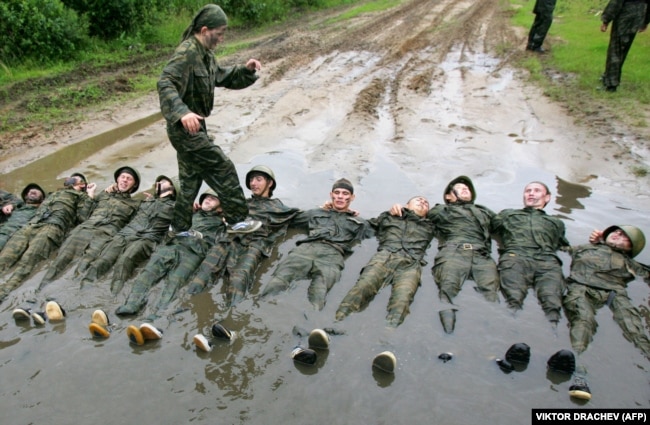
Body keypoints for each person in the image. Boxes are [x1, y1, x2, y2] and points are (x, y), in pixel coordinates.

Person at [157, 4, 262, 235]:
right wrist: (182, 112)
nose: (222, 38)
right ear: (205, 30)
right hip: (184, 128)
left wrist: (246, 70)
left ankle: (179, 228)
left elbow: (222, 76)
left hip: (195, 127)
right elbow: (165, 82)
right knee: (222, 166)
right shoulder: (187, 53)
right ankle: (237, 220)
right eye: (220, 33)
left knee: (190, 180)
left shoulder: (205, 55)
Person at [390, 176, 499, 333]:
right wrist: (398, 209)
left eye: (467, 189)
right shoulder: (440, 210)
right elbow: (417, 215)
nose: (465, 189)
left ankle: (490, 336)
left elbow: (505, 225)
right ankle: (448, 337)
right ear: (448, 196)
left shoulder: (483, 211)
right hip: (453, 252)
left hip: (482, 255)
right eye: (460, 188)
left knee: (491, 295)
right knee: (447, 293)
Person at [187, 165, 301, 305]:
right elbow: (215, 211)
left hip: (252, 247)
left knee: (238, 281)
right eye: (251, 180)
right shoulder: (241, 204)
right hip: (227, 242)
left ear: (270, 183)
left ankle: (230, 320)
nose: (253, 183)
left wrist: (327, 208)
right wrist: (197, 209)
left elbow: (305, 217)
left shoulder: (279, 208)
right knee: (203, 274)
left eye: (258, 179)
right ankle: (182, 309)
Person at [562, 225, 649, 400]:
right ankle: (580, 372)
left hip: (615, 293)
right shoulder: (583, 248)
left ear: (632, 247)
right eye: (616, 231)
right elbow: (553, 249)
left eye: (625, 236)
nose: (618, 234)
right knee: (582, 321)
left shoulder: (631, 263)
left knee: (634, 328)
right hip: (581, 287)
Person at [261, 178, 373, 310]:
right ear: (331, 195)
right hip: (305, 250)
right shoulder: (315, 213)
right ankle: (260, 311)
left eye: (345, 194)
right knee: (277, 282)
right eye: (337, 193)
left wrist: (398, 211)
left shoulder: (360, 223)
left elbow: (382, 230)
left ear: (352, 197)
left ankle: (311, 323)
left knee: (319, 294)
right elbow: (286, 217)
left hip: (332, 256)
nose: (340, 197)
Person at [115, 189, 226, 318]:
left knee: (174, 282)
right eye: (206, 197)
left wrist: (227, 218)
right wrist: (155, 198)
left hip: (193, 254)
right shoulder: (189, 212)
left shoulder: (221, 224)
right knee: (147, 274)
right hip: (171, 246)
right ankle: (132, 304)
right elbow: (168, 208)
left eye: (213, 199)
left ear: (219, 208)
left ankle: (157, 314)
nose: (208, 199)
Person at [335, 196, 434, 327]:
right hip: (385, 256)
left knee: (402, 299)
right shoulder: (389, 217)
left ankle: (389, 333)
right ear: (406, 205)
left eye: (426, 203)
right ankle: (338, 320)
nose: (422, 202)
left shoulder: (431, 225)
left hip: (411, 263)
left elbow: (456, 224)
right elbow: (364, 225)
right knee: (363, 286)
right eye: (418, 200)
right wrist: (343, 211)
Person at [38, 166, 141, 289]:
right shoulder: (103, 195)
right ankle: (38, 293)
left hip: (105, 236)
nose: (124, 180)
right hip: (83, 230)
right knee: (60, 262)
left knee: (83, 268)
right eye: (122, 177)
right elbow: (83, 216)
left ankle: (66, 297)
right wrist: (90, 195)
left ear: (134, 185)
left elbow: (133, 226)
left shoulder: (136, 205)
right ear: (117, 179)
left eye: (129, 179)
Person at [0, 174, 93, 301]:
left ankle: (3, 292)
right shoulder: (53, 194)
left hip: (52, 227)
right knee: (4, 258)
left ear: (82, 184)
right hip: (31, 225)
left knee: (27, 263)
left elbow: (84, 217)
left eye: (73, 178)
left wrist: (90, 194)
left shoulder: (82, 197)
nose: (68, 178)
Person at [79, 175, 178, 294]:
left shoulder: (176, 208)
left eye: (162, 182)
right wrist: (112, 191)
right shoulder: (146, 201)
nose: (158, 184)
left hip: (146, 238)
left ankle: (111, 298)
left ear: (172, 188)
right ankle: (81, 291)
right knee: (103, 260)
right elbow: (124, 209)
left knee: (124, 262)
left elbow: (182, 227)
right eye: (158, 182)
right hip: (126, 233)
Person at [490, 181, 570, 326]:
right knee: (513, 299)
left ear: (547, 198)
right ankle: (509, 328)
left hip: (547, 261)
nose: (531, 193)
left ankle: (553, 334)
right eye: (528, 191)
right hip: (516, 256)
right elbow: (485, 226)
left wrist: (599, 241)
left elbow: (564, 246)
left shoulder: (556, 222)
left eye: (537, 190)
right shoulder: (508, 214)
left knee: (552, 303)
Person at [599, 0, 650, 92]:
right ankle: (609, 75)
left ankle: (611, 84)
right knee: (624, 50)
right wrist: (645, 21)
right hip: (637, 18)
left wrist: (606, 20)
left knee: (615, 50)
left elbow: (616, 3)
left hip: (624, 17)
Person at [0, 183, 46, 251]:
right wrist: (9, 205)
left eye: (37, 190)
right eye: (29, 191)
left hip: (16, 240)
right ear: (25, 196)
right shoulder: (17, 206)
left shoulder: (42, 212)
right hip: (4, 232)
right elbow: (13, 199)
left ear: (42, 199)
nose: (32, 190)